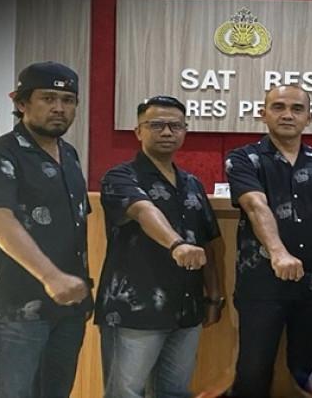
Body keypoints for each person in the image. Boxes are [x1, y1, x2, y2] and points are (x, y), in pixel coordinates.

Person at [225, 84, 312, 397]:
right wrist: (278, 252)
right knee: (252, 372)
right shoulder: (243, 159)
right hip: (261, 285)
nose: (287, 115)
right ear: (263, 114)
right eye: (278, 107)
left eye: (297, 109)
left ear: (309, 117)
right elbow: (255, 205)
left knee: (311, 374)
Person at [0, 61, 92, 397]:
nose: (59, 108)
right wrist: (52, 277)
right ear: (22, 102)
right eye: (48, 98)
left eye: (68, 100)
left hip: (68, 306)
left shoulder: (69, 155)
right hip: (15, 307)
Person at [94, 95, 224, 397]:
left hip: (187, 310)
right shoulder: (120, 177)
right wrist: (176, 244)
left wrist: (214, 296)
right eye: (156, 125)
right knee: (126, 392)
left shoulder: (192, 183)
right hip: (135, 311)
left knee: (175, 392)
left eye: (175, 126)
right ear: (138, 131)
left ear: (185, 131)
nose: (167, 132)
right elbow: (143, 211)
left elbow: (208, 242)